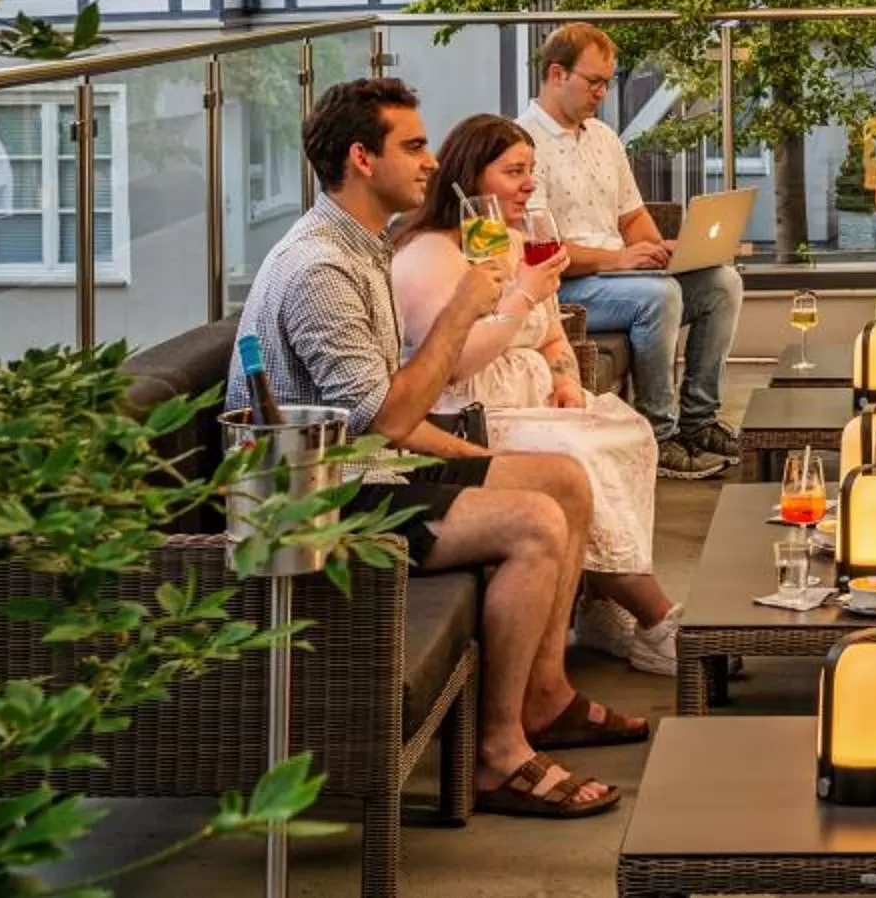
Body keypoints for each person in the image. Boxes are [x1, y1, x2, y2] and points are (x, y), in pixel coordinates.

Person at [226, 77, 644, 819]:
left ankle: (546, 695)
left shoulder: (362, 245)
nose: (430, 161)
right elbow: (385, 417)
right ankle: (500, 753)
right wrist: (462, 310)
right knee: (535, 524)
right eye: (414, 146)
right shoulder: (320, 268)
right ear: (362, 158)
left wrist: (469, 459)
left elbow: (380, 418)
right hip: (316, 500)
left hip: (365, 463)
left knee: (562, 479)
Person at [397, 114, 681, 677]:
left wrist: (566, 379)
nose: (530, 183)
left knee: (629, 432)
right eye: (514, 172)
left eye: (531, 170)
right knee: (583, 455)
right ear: (471, 178)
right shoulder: (431, 254)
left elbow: (553, 336)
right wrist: (522, 295)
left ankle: (601, 608)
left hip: (536, 399)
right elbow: (453, 365)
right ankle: (653, 615)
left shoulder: (515, 241)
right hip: (471, 414)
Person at [518, 22, 742, 479]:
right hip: (566, 288)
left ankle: (699, 421)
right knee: (658, 296)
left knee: (722, 283)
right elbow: (539, 248)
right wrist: (618, 259)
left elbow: (632, 216)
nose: (602, 92)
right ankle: (659, 436)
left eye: (607, 82)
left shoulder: (603, 137)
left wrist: (662, 250)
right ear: (557, 74)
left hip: (619, 279)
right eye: (593, 81)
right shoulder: (522, 145)